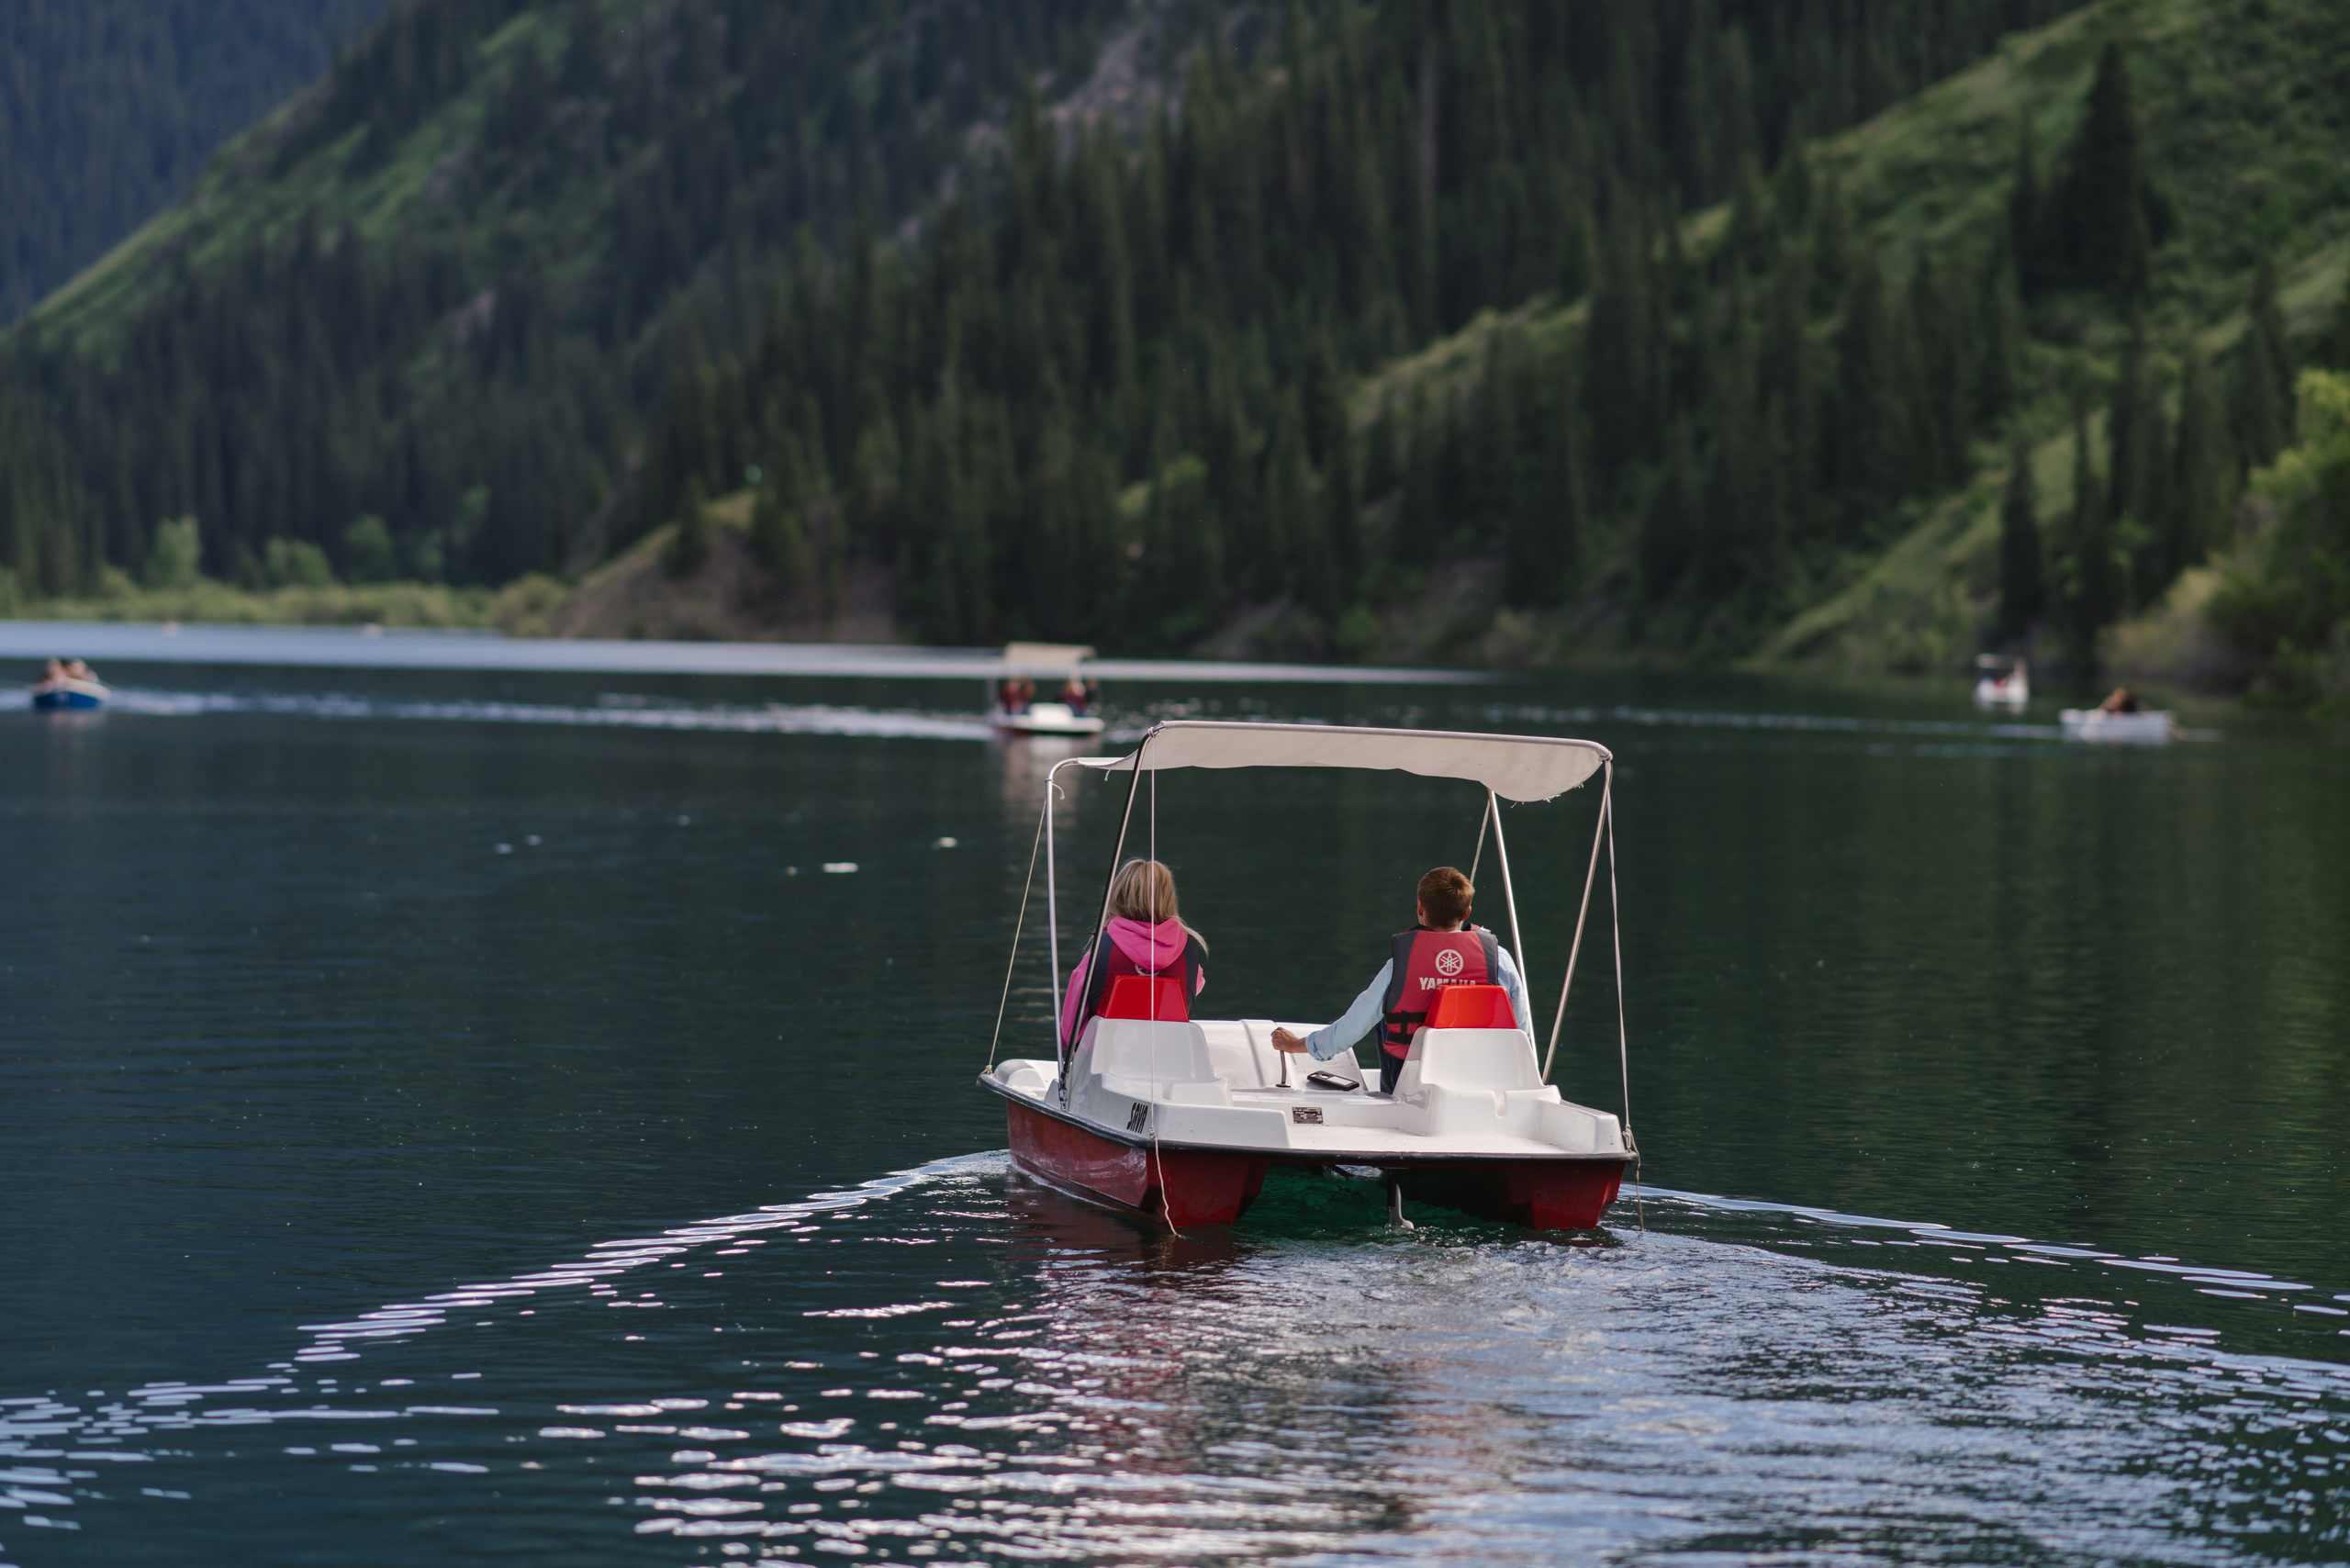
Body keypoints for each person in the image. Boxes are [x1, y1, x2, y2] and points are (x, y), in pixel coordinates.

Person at [1272, 866, 1530, 1093]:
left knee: (1390, 1010)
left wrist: (1296, 1045)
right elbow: (1521, 1031)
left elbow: (1351, 1029)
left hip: (1411, 1083)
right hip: (1480, 1075)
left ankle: (1391, 1100)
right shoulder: (1499, 960)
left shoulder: (1400, 967)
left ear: (1420, 908)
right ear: (1466, 913)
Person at [1061, 858, 1208, 1047]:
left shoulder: (1100, 949)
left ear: (1118, 897)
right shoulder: (1188, 950)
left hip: (1107, 1062)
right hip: (1170, 1058)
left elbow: (1069, 1036)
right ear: (1168, 898)